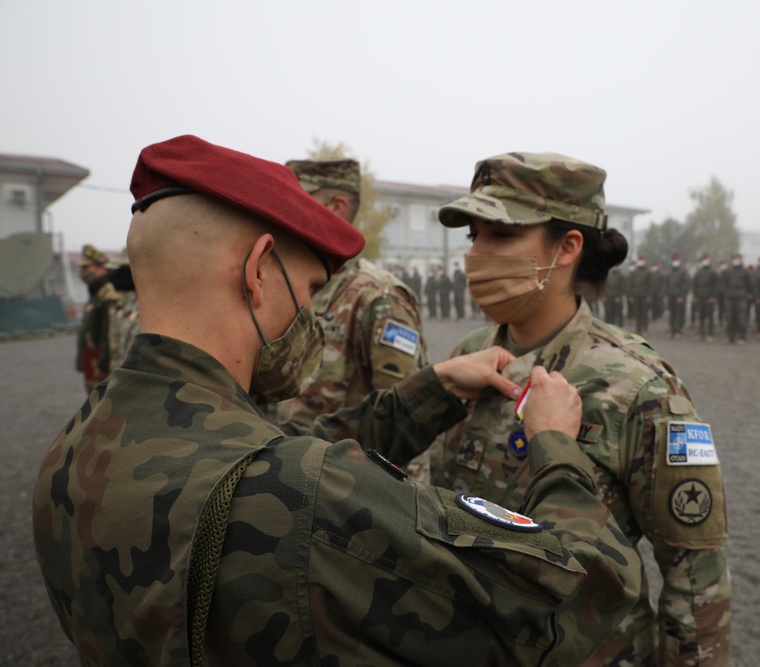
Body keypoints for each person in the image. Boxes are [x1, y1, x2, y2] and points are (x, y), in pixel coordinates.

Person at [32, 135, 642, 667]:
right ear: (260, 270)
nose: (311, 314)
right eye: (312, 288)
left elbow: (260, 454)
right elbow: (579, 594)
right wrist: (557, 446)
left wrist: (432, 390)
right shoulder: (312, 496)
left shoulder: (76, 447)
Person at [414, 152, 731, 667]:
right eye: (474, 237)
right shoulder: (466, 357)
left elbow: (694, 573)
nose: (476, 255)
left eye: (500, 235)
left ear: (567, 247)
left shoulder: (639, 385)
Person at [269, 159, 427, 430]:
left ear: (336, 207)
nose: (283, 208)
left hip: (345, 470)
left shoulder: (380, 298)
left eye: (298, 197)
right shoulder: (286, 287)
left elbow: (404, 420)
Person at [75, 244, 120, 391]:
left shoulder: (107, 293)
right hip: (91, 358)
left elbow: (109, 331)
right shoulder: (96, 292)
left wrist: (103, 363)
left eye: (86, 267)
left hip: (100, 361)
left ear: (101, 267)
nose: (83, 272)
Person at [721, 252, 753, 345]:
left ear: (741, 260)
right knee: (729, 318)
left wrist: (750, 293)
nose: (736, 260)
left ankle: (742, 337)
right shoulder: (728, 271)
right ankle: (730, 337)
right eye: (735, 258)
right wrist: (725, 294)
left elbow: (750, 283)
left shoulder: (745, 271)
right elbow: (724, 283)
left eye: (738, 258)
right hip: (730, 297)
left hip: (741, 297)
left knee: (741, 318)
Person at [692, 252, 719, 342]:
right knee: (701, 316)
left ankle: (710, 334)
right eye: (704, 259)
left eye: (707, 259)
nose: (705, 261)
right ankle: (701, 334)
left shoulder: (713, 272)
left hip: (709, 298)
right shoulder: (699, 272)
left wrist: (713, 296)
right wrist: (695, 296)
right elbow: (695, 285)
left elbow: (716, 285)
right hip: (700, 297)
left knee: (710, 317)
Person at [666, 252, 690, 339]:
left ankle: (678, 330)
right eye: (674, 259)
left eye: (677, 259)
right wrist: (666, 296)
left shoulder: (683, 271)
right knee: (672, 313)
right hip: (671, 295)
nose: (675, 261)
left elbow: (686, 285)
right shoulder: (670, 271)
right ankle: (672, 330)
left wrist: (682, 296)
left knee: (679, 314)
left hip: (679, 296)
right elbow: (666, 284)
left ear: (680, 260)